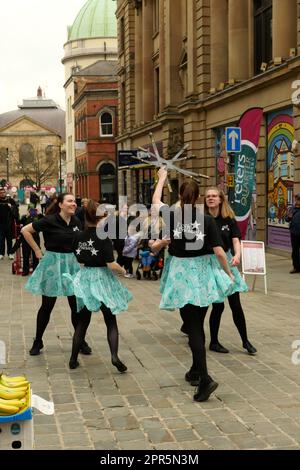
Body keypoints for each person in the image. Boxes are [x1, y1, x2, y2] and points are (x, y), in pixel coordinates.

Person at [152, 168, 234, 402]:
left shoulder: (171, 215)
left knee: (193, 327)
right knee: (197, 324)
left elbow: (156, 201)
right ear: (198, 198)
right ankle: (196, 371)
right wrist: (227, 274)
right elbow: (219, 252)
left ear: (179, 196)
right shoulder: (207, 220)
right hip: (203, 275)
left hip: (181, 274)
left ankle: (205, 377)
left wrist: (162, 179)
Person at [21, 193, 92, 356]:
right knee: (47, 305)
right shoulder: (50, 220)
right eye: (70, 201)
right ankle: (38, 341)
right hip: (52, 265)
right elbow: (25, 230)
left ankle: (79, 340)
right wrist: (38, 251)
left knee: (76, 306)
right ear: (60, 204)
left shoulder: (76, 222)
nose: (74, 204)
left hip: (71, 265)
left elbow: (80, 243)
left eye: (75, 201)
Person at [64, 200, 132, 370]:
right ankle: (115, 357)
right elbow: (111, 264)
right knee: (110, 320)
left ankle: (73, 359)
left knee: (82, 322)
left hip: (86, 277)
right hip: (102, 279)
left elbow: (77, 256)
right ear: (101, 218)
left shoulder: (78, 235)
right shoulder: (104, 238)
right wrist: (123, 271)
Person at [204, 187, 257, 355]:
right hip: (211, 263)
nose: (211, 198)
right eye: (208, 196)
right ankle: (213, 342)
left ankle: (245, 341)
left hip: (227, 260)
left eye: (214, 196)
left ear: (221, 200)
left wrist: (238, 255)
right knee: (218, 306)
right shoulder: (202, 219)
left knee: (236, 305)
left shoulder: (228, 219)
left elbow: (236, 240)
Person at [12, 206, 42, 275]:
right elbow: (18, 222)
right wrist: (26, 216)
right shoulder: (25, 217)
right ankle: (25, 270)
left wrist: (39, 214)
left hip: (35, 238)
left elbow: (44, 220)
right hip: (25, 239)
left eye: (33, 210)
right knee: (26, 255)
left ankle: (35, 271)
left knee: (35, 256)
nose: (32, 212)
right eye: (30, 210)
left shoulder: (38, 218)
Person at [0, 186, 19, 260]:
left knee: (9, 239)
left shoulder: (10, 200)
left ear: (5, 193)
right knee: (1, 239)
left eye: (3, 192)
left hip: (9, 223)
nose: (2, 194)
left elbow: (16, 210)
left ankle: (10, 253)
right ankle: (1, 253)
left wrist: (11, 207)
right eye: (0, 193)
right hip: (0, 224)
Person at [286, 194, 300, 273]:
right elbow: (287, 219)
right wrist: (289, 217)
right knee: (295, 251)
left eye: (297, 199)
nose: (296, 201)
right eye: (296, 199)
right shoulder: (292, 209)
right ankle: (296, 267)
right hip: (294, 233)